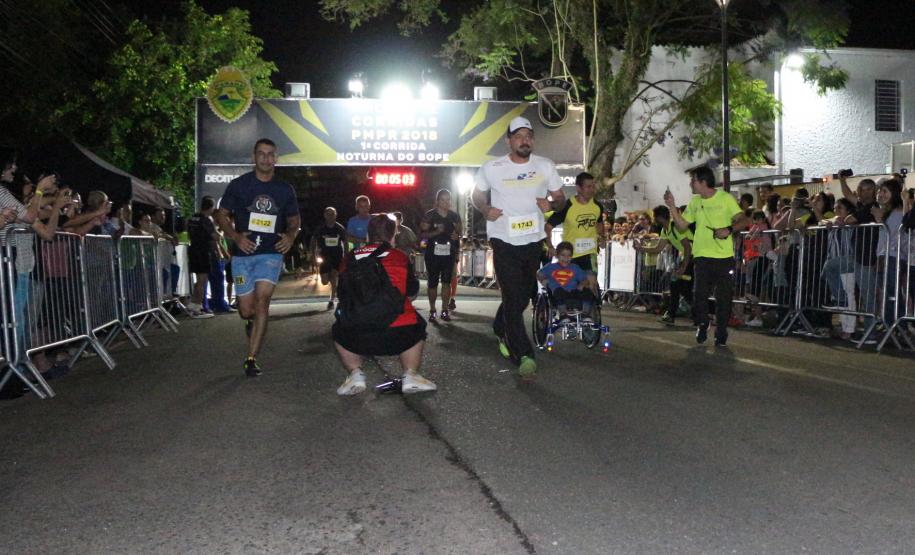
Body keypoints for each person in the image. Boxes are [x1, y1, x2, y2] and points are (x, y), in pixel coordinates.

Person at [472, 116, 565, 379]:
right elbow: (476, 194)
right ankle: (524, 353)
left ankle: (500, 325)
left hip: (531, 240)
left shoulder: (545, 166)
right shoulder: (493, 167)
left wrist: (551, 203)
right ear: (509, 141)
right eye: (519, 136)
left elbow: (560, 198)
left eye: (529, 136)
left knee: (524, 295)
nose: (525, 140)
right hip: (503, 239)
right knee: (513, 296)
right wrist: (484, 208)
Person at [214, 138, 301, 377]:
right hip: (243, 255)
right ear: (254, 157)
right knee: (246, 309)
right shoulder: (239, 185)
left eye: (270, 154)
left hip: (270, 254)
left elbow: (294, 222)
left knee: (263, 301)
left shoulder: (284, 190)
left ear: (276, 158)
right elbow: (221, 215)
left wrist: (291, 237)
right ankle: (250, 321)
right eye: (261, 154)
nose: (265, 158)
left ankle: (251, 358)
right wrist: (235, 237)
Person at [334, 214, 436, 396]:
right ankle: (410, 374)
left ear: (367, 236)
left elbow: (342, 294)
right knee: (417, 322)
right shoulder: (399, 257)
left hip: (356, 336)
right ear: (392, 237)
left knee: (338, 326)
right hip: (398, 335)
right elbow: (411, 292)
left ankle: (355, 373)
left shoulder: (348, 259)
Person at [664, 166, 749, 346]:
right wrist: (672, 206)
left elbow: (744, 220)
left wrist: (729, 229)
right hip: (702, 256)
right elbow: (681, 226)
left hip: (724, 257)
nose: (690, 184)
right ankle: (703, 323)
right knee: (698, 294)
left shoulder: (725, 199)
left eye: (693, 180)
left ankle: (721, 331)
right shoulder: (695, 202)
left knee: (723, 297)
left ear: (703, 182)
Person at [545, 171, 605, 297]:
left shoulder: (597, 206)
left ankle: (590, 312)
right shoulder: (567, 206)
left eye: (593, 186)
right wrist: (550, 245)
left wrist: (602, 237)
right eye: (588, 186)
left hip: (589, 253)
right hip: (570, 256)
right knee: (571, 287)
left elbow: (599, 224)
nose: (591, 189)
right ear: (578, 188)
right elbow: (548, 226)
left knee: (590, 284)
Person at [637, 205, 694, 326]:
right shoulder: (665, 230)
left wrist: (684, 265)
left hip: (694, 256)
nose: (653, 220)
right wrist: (641, 248)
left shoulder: (675, 227)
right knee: (680, 287)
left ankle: (696, 315)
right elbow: (658, 248)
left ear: (660, 217)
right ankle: (690, 315)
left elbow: (688, 246)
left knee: (679, 286)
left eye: (654, 217)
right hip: (687, 257)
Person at [420, 188, 462, 322]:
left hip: (449, 253)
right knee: (432, 283)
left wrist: (457, 235)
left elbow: (459, 233)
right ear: (437, 201)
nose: (446, 202)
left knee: (446, 282)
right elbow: (422, 235)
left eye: (448, 199)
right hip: (433, 254)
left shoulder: (454, 216)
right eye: (443, 200)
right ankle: (432, 310)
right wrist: (436, 232)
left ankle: (444, 310)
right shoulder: (429, 215)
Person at [537, 241, 593, 321]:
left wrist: (582, 284)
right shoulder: (551, 267)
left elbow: (585, 279)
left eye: (569, 256)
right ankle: (563, 315)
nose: (566, 258)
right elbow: (539, 273)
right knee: (559, 291)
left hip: (573, 292)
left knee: (588, 291)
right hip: (556, 293)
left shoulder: (574, 268)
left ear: (572, 257)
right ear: (557, 255)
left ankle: (585, 314)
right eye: (563, 255)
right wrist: (543, 281)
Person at [186, 197, 218, 319]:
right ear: (210, 207)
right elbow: (215, 236)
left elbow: (189, 233)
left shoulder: (192, 218)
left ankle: (193, 304)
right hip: (203, 251)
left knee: (198, 280)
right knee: (202, 280)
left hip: (193, 250)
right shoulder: (206, 220)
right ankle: (198, 308)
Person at [313, 206, 347, 310]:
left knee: (334, 277)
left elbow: (345, 242)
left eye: (332, 214)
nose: (330, 216)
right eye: (328, 214)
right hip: (325, 257)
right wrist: (313, 255)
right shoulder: (320, 228)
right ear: (324, 215)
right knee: (324, 281)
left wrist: (346, 255)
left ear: (336, 215)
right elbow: (313, 240)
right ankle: (332, 291)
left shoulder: (340, 228)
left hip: (337, 256)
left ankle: (332, 299)